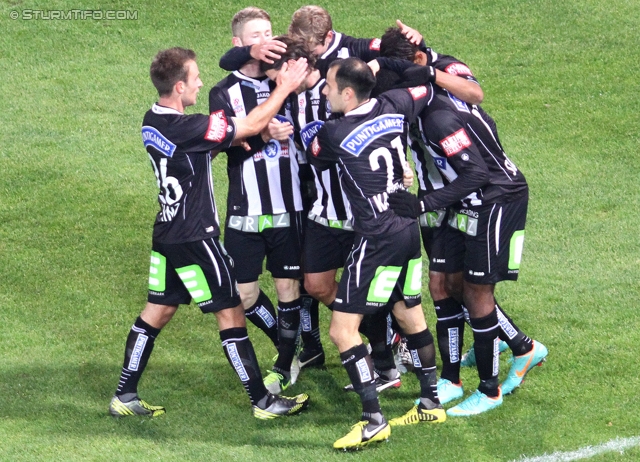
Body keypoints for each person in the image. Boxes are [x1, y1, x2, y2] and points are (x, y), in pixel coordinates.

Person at [108, 46, 310, 420]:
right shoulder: (189, 125)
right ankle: (263, 402)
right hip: (196, 236)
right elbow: (246, 126)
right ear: (180, 86)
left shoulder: (151, 120)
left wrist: (241, 139)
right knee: (232, 314)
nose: (201, 82)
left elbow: (202, 148)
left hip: (167, 232)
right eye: (195, 77)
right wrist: (283, 89)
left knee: (157, 311)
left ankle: (124, 394)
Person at [383, 30, 548, 416]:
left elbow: (475, 173)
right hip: (456, 199)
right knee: (442, 285)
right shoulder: (418, 106)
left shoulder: (438, 117)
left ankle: (490, 390)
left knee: (476, 293)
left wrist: (421, 203)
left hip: (494, 199)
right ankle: (452, 379)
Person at [309, 57, 445, 450]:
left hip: (375, 238)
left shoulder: (335, 132)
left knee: (341, 330)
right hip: (406, 229)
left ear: (347, 94)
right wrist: (386, 62)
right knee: (408, 312)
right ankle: (430, 401)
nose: (324, 91)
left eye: (329, 86)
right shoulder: (396, 104)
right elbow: (425, 87)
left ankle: (373, 420)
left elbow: (314, 150)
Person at [209, 8, 311, 395]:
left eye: (270, 32)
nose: (267, 41)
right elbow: (222, 146)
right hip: (245, 209)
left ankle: (285, 363)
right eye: (257, 36)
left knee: (289, 288)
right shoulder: (223, 92)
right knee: (244, 294)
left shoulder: (287, 78)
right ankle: (292, 343)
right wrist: (262, 136)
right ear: (239, 44)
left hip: (290, 204)